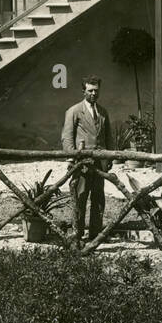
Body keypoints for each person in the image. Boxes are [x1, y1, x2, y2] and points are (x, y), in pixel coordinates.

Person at [61, 76, 113, 241]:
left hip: (100, 161)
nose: (93, 93)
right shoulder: (74, 111)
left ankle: (96, 234)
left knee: (98, 197)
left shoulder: (103, 112)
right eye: (90, 90)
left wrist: (110, 157)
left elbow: (108, 136)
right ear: (83, 91)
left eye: (96, 90)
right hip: (82, 162)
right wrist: (71, 157)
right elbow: (67, 136)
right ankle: (78, 233)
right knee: (80, 196)